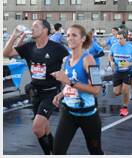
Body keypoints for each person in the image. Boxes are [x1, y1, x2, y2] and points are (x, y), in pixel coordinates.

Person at [3, 19, 69, 154]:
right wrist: (14, 36)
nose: (32, 29)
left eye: (36, 26)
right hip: (35, 93)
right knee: (44, 129)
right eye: (32, 26)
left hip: (51, 93)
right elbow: (6, 54)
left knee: (37, 128)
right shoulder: (29, 46)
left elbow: (71, 62)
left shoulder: (56, 48)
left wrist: (65, 75)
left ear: (45, 30)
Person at [51, 24, 103, 154]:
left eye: (74, 35)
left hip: (88, 115)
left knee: (95, 151)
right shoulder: (67, 60)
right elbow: (70, 84)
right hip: (68, 113)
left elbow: (97, 90)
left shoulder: (89, 59)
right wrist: (61, 95)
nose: (70, 38)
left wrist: (69, 81)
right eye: (68, 35)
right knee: (57, 151)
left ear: (83, 38)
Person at [109, 31, 132, 116]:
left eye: (121, 38)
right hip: (117, 71)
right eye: (117, 38)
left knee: (125, 91)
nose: (119, 40)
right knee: (116, 92)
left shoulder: (131, 47)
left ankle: (124, 108)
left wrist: (130, 63)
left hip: (127, 71)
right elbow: (110, 55)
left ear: (125, 38)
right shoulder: (114, 46)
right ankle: (127, 92)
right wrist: (111, 62)